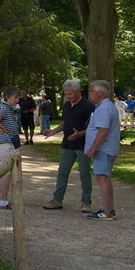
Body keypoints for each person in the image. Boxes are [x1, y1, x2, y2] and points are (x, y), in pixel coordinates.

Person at [42, 79, 93, 211]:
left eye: (71, 94)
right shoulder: (66, 105)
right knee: (62, 172)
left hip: (83, 145)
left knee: (84, 174)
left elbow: (95, 128)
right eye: (66, 94)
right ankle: (57, 200)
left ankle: (86, 202)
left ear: (78, 92)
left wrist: (80, 133)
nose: (69, 96)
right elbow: (65, 123)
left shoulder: (88, 105)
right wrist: (53, 131)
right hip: (67, 145)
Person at [85, 79, 122, 219]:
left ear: (100, 93)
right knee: (103, 178)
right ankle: (108, 208)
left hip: (103, 149)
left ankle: (108, 211)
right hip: (106, 149)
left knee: (102, 178)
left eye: (92, 91)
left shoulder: (104, 108)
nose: (90, 94)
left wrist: (93, 148)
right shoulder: (105, 107)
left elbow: (103, 130)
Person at [0, 85, 22, 207]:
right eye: (15, 97)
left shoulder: (11, 109)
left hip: (10, 144)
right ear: (8, 98)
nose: (17, 100)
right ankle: (2, 200)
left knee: (12, 172)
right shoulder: (4, 109)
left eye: (18, 97)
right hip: (4, 145)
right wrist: (3, 128)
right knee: (6, 173)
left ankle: (5, 198)